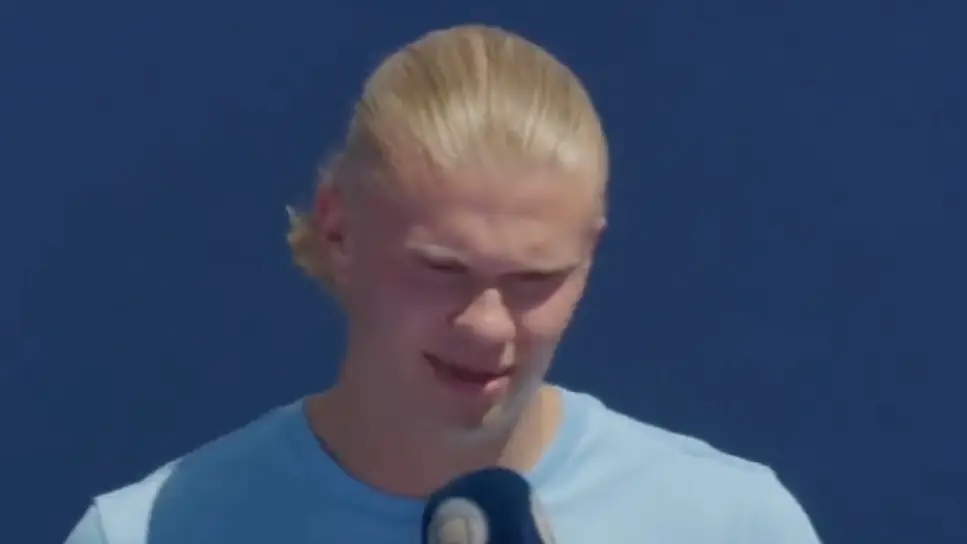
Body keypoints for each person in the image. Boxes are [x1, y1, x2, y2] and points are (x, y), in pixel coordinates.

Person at [65, 24, 822, 543]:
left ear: (589, 257)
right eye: (440, 270)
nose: (488, 325)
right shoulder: (143, 533)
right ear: (340, 231)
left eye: (535, 279)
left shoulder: (731, 524)